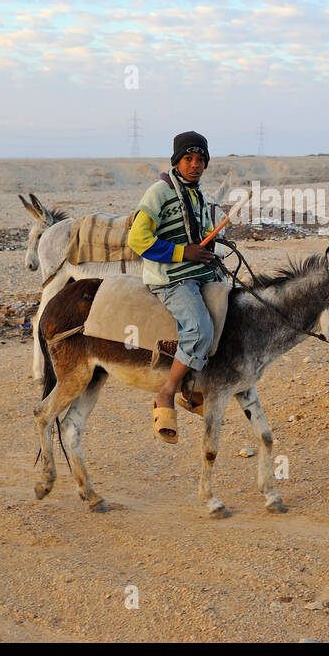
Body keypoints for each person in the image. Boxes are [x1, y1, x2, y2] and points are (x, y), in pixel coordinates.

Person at [127, 130, 224, 444]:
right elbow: (138, 239)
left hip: (198, 271)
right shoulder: (158, 192)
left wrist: (211, 250)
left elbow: (205, 233)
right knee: (200, 329)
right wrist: (185, 252)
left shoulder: (198, 196)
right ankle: (166, 393)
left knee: (234, 309)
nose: (195, 165)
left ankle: (194, 387)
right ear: (177, 161)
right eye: (189, 159)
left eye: (200, 160)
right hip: (171, 278)